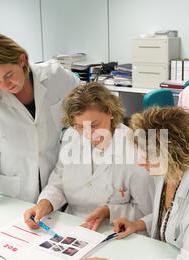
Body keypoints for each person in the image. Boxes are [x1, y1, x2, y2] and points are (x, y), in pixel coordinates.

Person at [70, 107, 189, 260]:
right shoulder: (167, 172)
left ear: (173, 153)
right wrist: (139, 224)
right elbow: (172, 216)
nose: (142, 162)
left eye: (149, 155)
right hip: (169, 257)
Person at [0, 33, 79, 213]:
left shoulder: (55, 76)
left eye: (9, 75)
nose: (5, 85)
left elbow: (83, 102)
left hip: (56, 173)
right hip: (16, 184)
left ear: (22, 60)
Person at [23, 83, 154, 232]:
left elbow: (148, 210)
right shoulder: (71, 137)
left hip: (114, 230)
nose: (87, 134)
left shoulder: (135, 149)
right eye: (79, 126)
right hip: (70, 225)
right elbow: (58, 184)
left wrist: (109, 211)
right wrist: (43, 205)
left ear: (110, 112)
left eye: (94, 125)